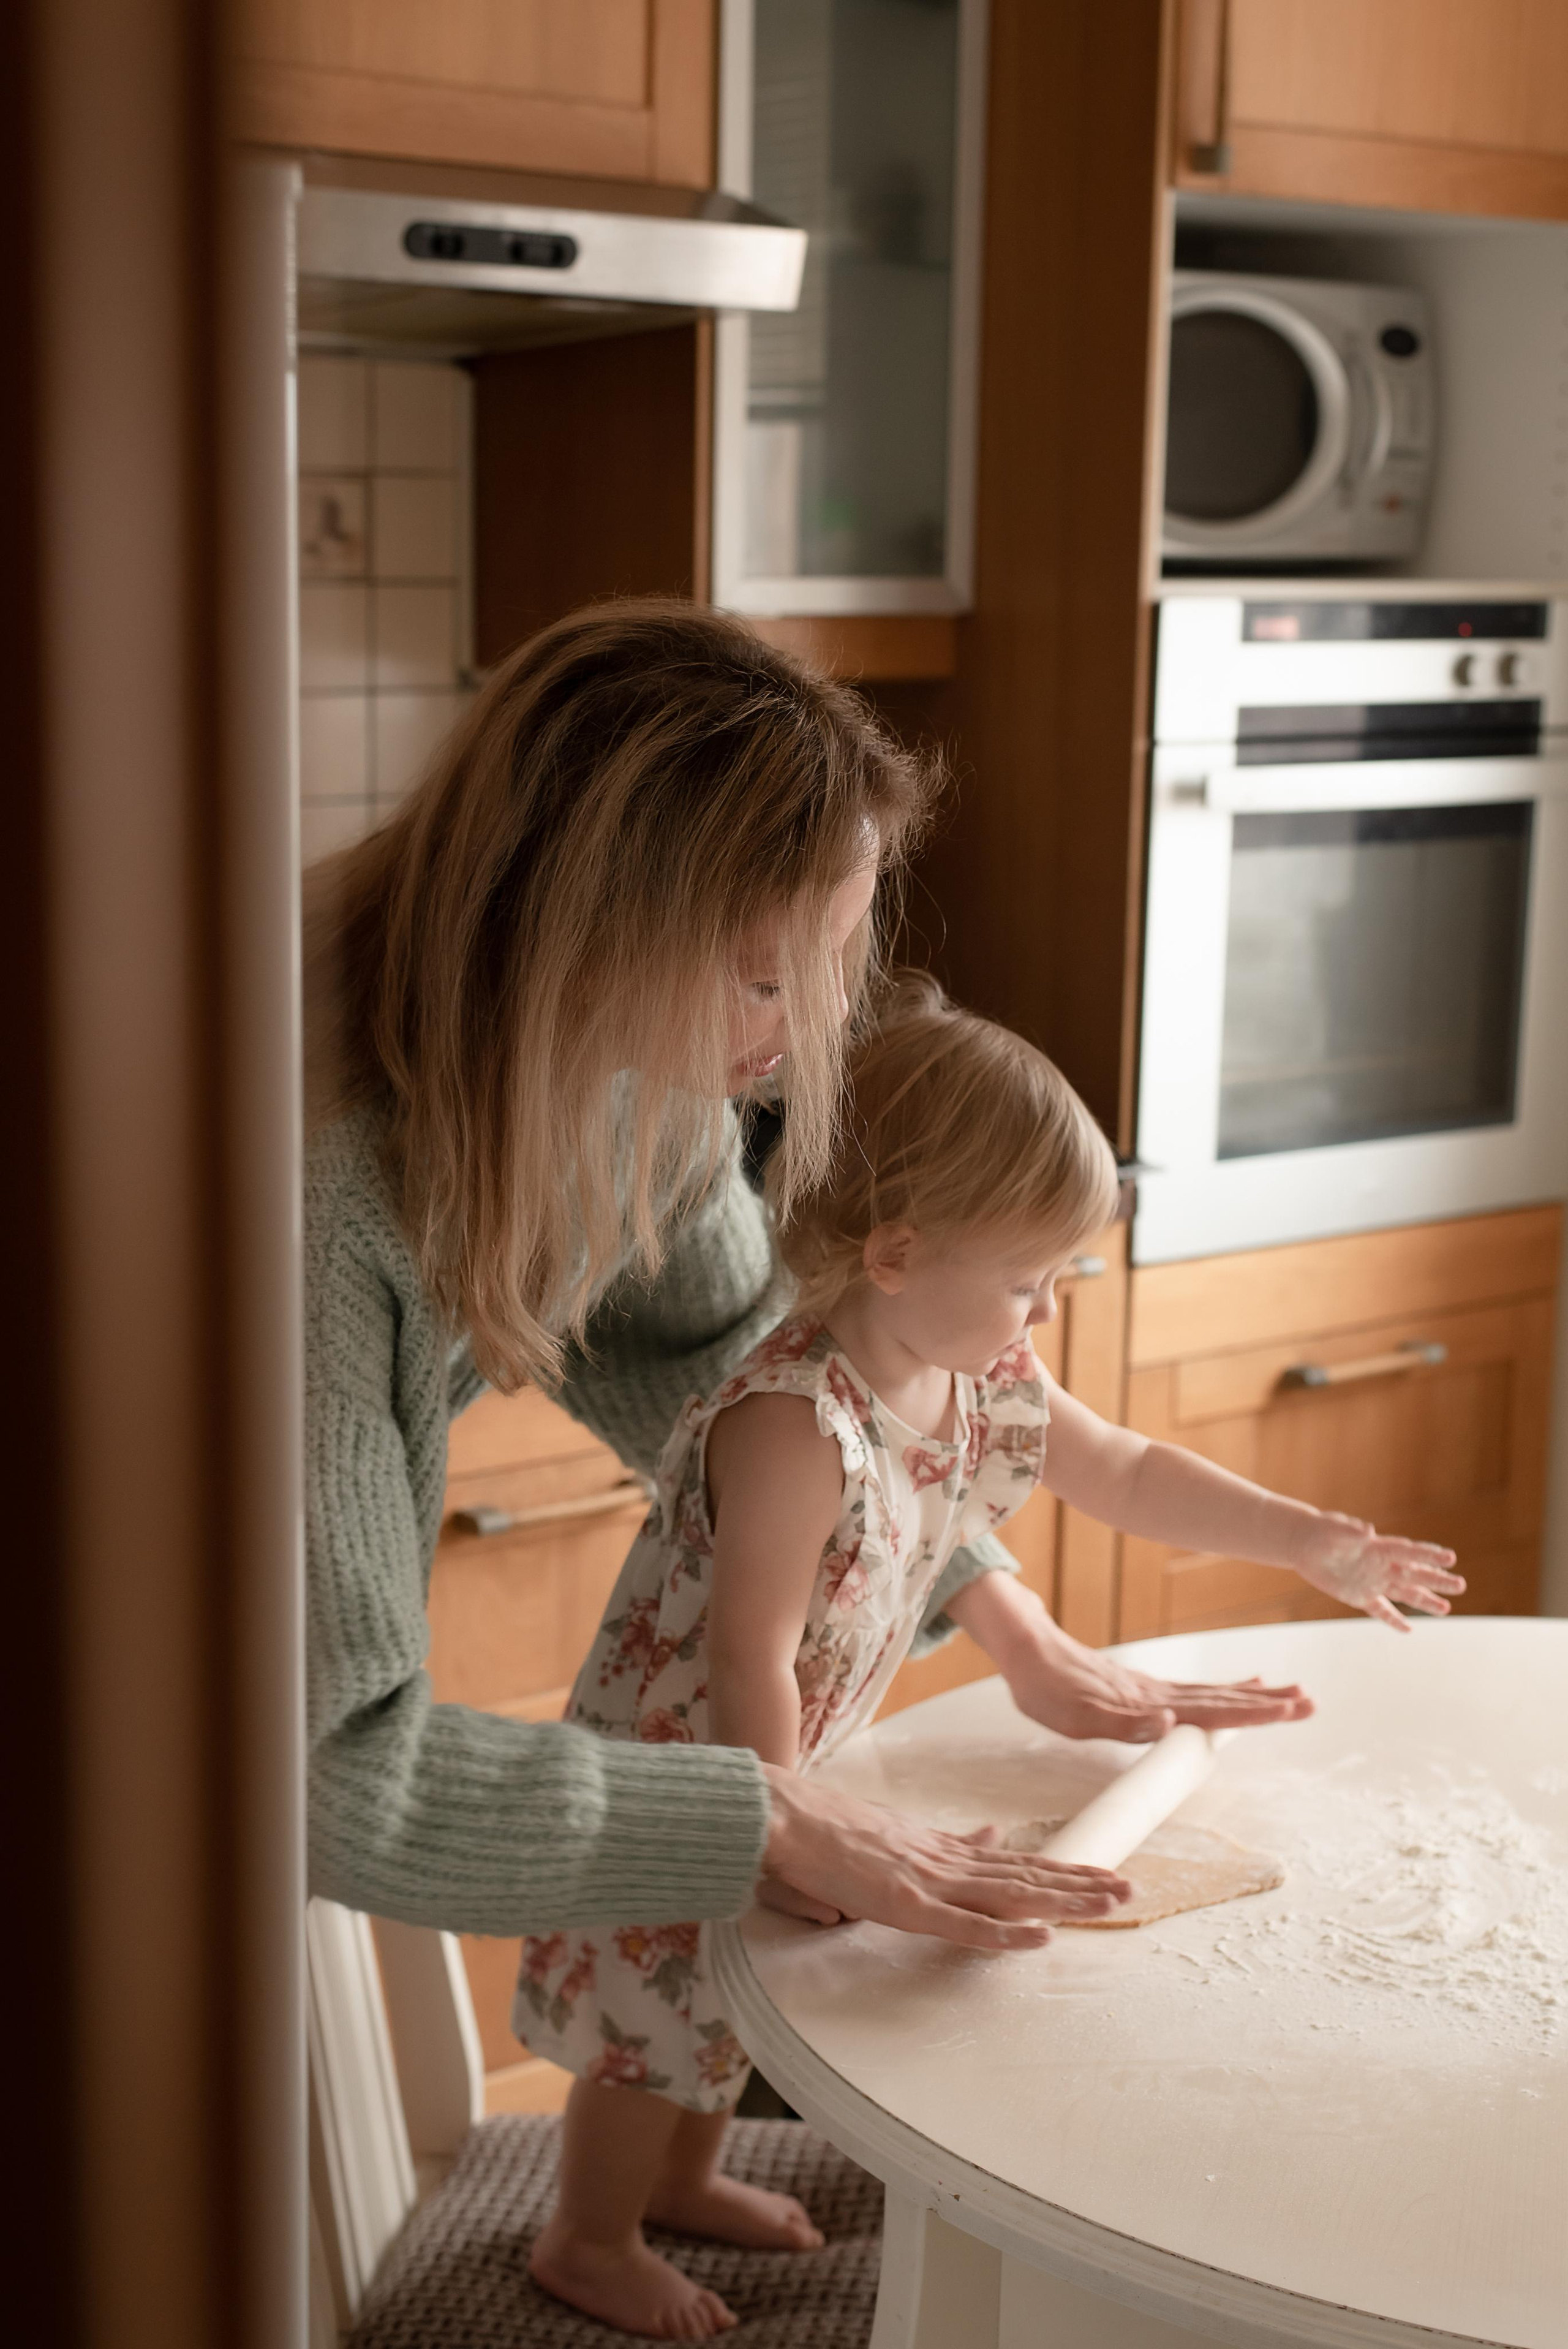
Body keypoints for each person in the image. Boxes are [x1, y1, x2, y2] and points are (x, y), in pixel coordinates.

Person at [304, 601, 1318, 2007]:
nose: (814, 1032)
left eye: (831, 968)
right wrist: (772, 1820)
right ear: (586, 931)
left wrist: (1003, 1618)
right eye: (767, 979)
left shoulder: (615, 1072)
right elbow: (325, 1767)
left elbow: (736, 1363)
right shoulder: (306, 1204)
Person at [518, 974, 1463, 2340]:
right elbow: (747, 1656)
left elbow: (1130, 1470)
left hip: (784, 1762)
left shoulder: (976, 1369)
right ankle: (588, 2236)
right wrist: (785, 1831)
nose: (1050, 1311)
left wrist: (1310, 1538)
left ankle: (684, 2180)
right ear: (896, 1255)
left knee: (727, 1998)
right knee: (649, 2015)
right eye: (1030, 1280)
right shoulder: (790, 1424)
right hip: (697, 1770)